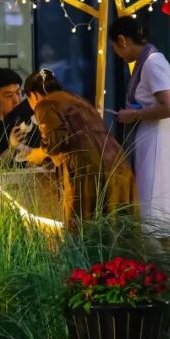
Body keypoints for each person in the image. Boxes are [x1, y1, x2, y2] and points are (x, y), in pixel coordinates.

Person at [23, 70, 135, 230]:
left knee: (83, 228)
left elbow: (54, 142)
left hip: (88, 168)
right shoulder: (78, 100)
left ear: (33, 95)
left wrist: (38, 153)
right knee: (117, 227)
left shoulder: (45, 104)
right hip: (117, 161)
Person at [109, 15, 170, 238]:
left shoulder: (152, 63)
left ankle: (158, 262)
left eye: (115, 48)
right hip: (151, 142)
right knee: (153, 219)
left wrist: (134, 114)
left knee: (151, 221)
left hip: (154, 146)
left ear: (122, 40)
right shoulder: (149, 61)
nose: (117, 54)